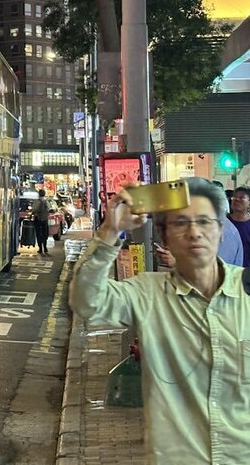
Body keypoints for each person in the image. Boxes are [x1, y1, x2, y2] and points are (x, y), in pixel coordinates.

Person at [70, 177, 250, 463]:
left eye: (204, 222)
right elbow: (86, 302)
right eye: (181, 223)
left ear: (220, 231)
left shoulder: (246, 292)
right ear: (165, 239)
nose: (194, 232)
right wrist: (109, 231)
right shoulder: (148, 294)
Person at [227, 185, 250, 266]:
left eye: (241, 198)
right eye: (235, 197)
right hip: (226, 268)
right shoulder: (223, 221)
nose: (236, 199)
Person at [33, 188, 51, 255]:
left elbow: (34, 209)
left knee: (38, 234)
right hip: (45, 219)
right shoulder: (46, 202)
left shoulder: (36, 201)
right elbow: (48, 209)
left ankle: (40, 248)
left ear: (39, 194)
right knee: (44, 233)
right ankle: (45, 247)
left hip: (37, 219)